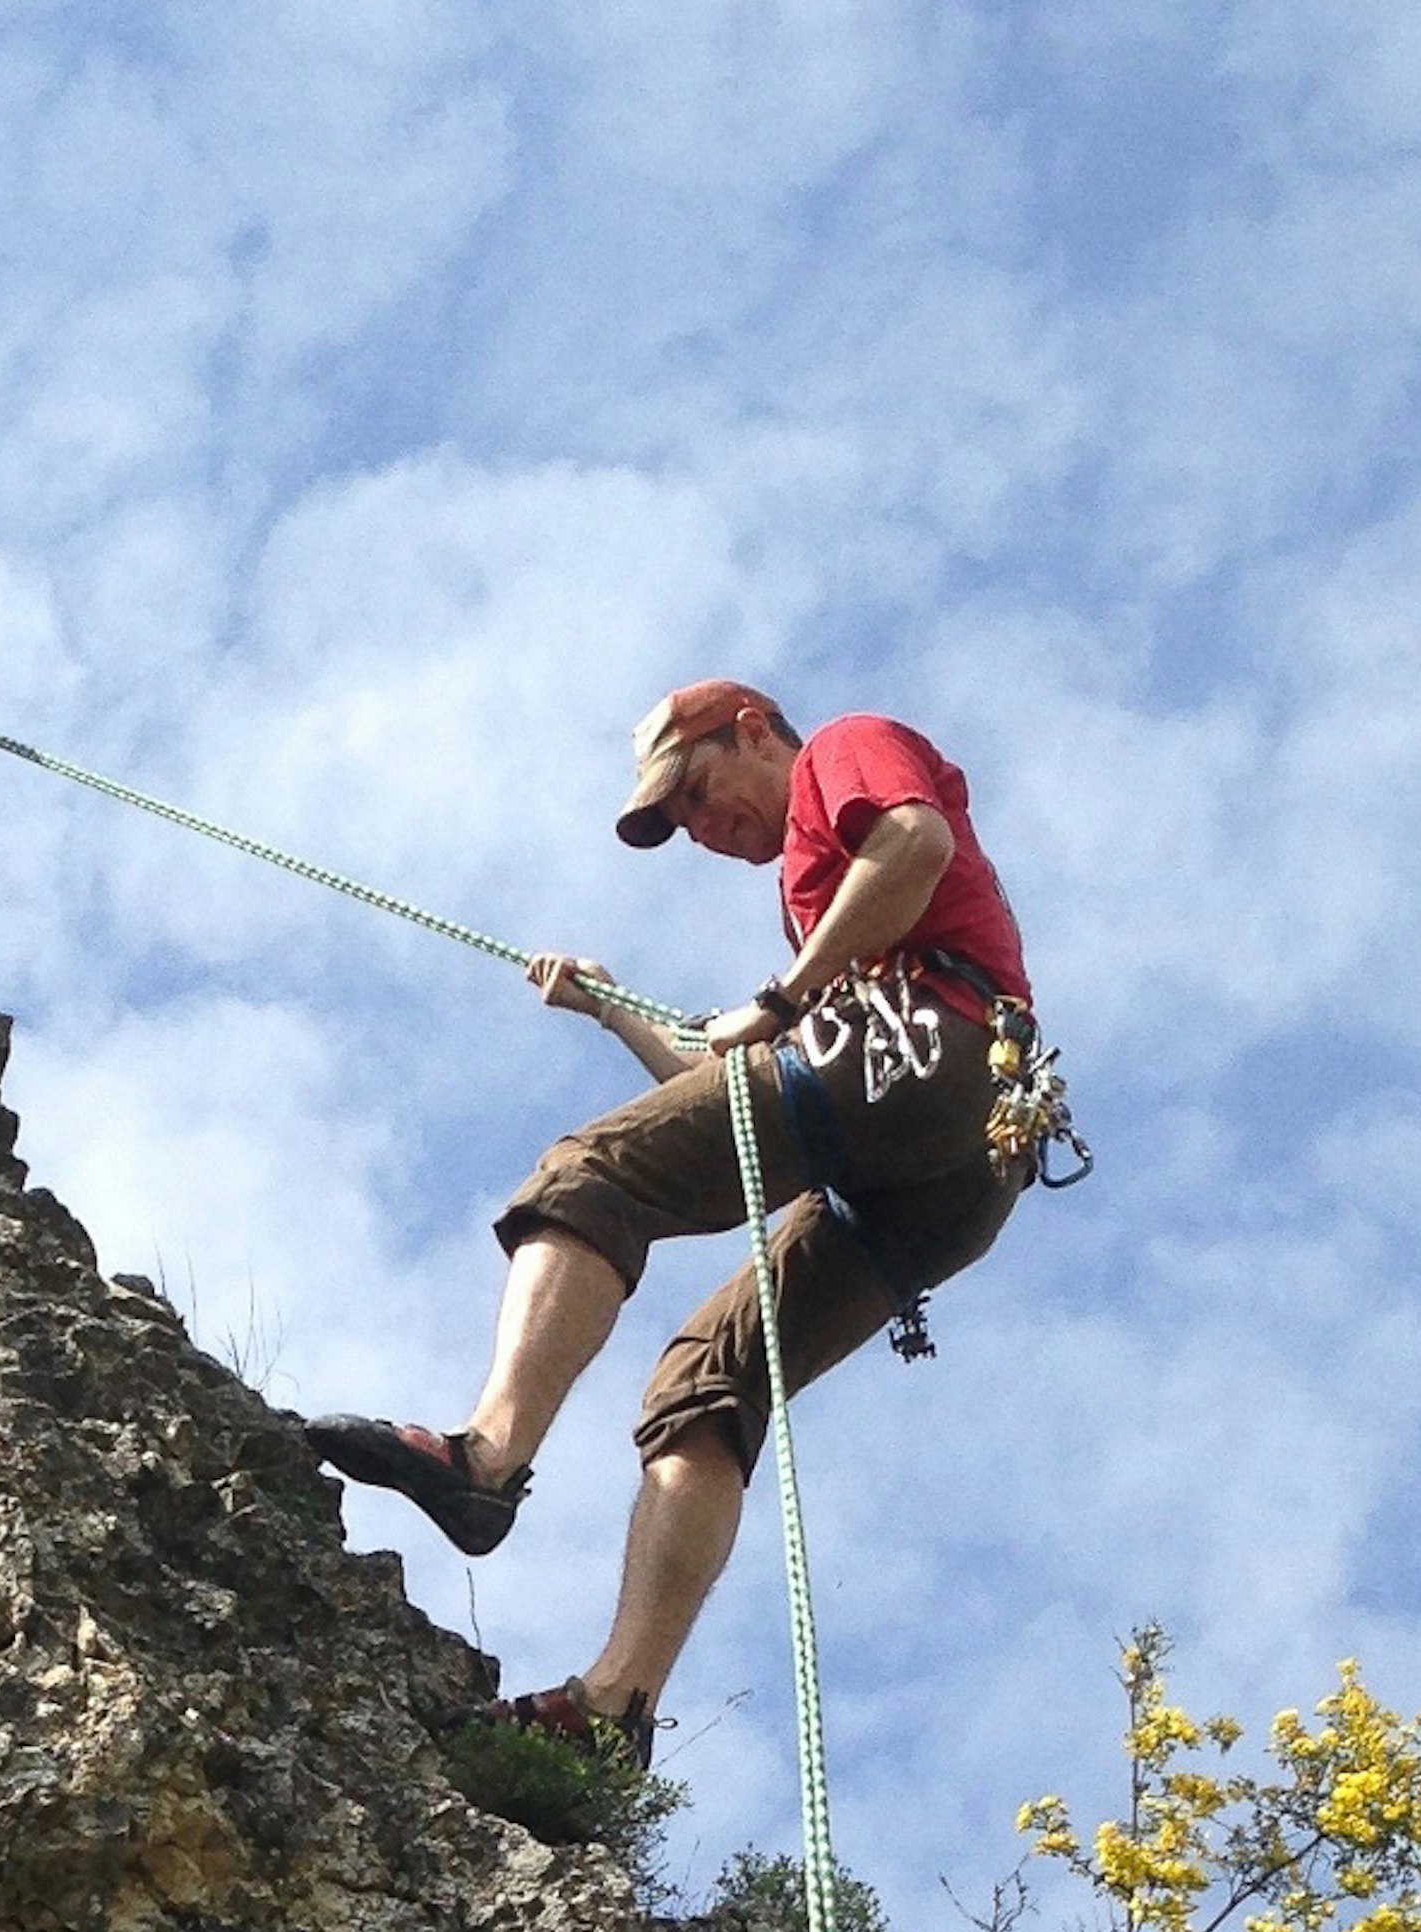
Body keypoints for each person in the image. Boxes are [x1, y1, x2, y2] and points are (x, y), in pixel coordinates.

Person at [306, 679, 1042, 1776]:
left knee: (594, 1170)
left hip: (926, 1053)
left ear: (751, 730)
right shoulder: (822, 918)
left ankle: (486, 1457)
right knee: (703, 1383)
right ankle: (618, 1707)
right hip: (957, 1166)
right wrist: (611, 1010)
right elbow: (732, 1094)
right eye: (681, 823)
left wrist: (790, 996)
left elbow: (915, 841)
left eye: (696, 794)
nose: (701, 831)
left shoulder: (844, 750)